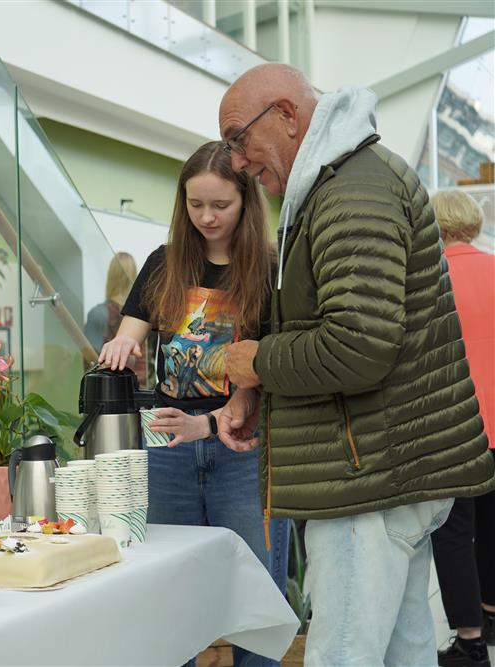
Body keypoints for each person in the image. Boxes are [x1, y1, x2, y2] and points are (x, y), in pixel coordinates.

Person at [216, 64, 495, 667]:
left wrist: (257, 362)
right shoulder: (342, 181)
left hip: (366, 479)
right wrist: (262, 389)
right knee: (404, 650)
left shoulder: (348, 190)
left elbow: (358, 343)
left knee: (344, 654)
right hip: (383, 469)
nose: (235, 162)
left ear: (287, 116)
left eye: (238, 140)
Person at [99, 141, 290, 667]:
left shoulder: (270, 269)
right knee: (168, 594)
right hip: (165, 444)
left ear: (247, 202)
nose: (206, 217)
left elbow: (276, 366)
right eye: (195, 204)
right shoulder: (164, 262)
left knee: (258, 598)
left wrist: (210, 421)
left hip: (241, 448)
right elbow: (131, 329)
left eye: (220, 206)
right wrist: (121, 343)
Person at [429, 190, 495, 667]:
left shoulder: (430, 278)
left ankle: (470, 641)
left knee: (453, 531)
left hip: (453, 422)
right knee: (494, 526)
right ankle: (491, 613)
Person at [84, 252, 147, 383]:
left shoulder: (99, 314)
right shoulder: (146, 316)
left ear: (110, 277)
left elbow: (89, 361)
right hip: (143, 390)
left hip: (111, 389)